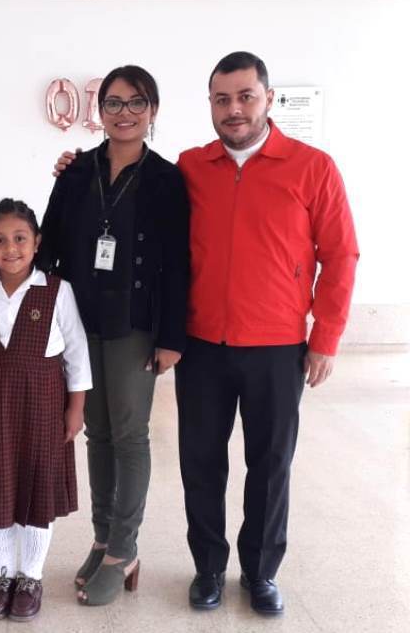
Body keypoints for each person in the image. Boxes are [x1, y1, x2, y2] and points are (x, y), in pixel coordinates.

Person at [175, 51, 358, 615]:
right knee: (201, 462)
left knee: (271, 464)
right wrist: (74, 167)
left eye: (245, 96)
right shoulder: (188, 166)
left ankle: (260, 572)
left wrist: (325, 337)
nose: (234, 110)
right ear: (209, 104)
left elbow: (341, 254)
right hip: (203, 343)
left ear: (269, 98)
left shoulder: (312, 167)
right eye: (222, 99)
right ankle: (208, 567)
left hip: (278, 346)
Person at [42, 65, 191, 606]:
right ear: (98, 110)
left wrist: (172, 336)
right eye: (113, 103)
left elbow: (178, 263)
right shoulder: (77, 171)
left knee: (128, 434)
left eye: (136, 103)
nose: (124, 113)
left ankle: (124, 547)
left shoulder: (168, 179)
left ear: (153, 110)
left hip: (136, 323)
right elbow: (49, 242)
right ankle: (104, 538)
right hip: (82, 320)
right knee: (96, 433)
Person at [0, 199, 92, 621]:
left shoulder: (56, 290)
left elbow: (77, 352)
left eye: (20, 238)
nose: (11, 249)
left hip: (43, 400)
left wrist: (76, 407)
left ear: (36, 242)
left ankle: (31, 576)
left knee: (36, 487)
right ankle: (4, 575)